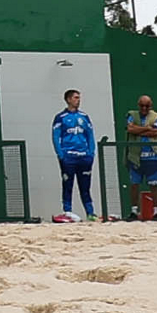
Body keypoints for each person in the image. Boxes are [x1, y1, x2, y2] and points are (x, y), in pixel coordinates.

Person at [52, 89, 96, 223]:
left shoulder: (84, 116)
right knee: (68, 185)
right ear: (68, 99)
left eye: (79, 98)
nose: (78, 100)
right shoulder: (61, 117)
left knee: (85, 187)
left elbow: (90, 135)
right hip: (69, 157)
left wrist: (91, 153)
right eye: (76, 98)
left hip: (84, 157)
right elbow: (55, 137)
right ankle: (68, 212)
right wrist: (61, 155)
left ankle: (90, 213)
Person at [124, 95, 157, 221]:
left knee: (154, 185)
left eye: (147, 106)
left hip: (152, 156)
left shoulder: (156, 116)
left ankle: (156, 212)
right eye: (142, 105)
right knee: (134, 184)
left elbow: (156, 132)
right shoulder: (132, 115)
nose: (144, 108)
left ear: (151, 106)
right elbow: (130, 129)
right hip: (135, 156)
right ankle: (134, 211)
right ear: (138, 105)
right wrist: (147, 128)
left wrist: (138, 130)